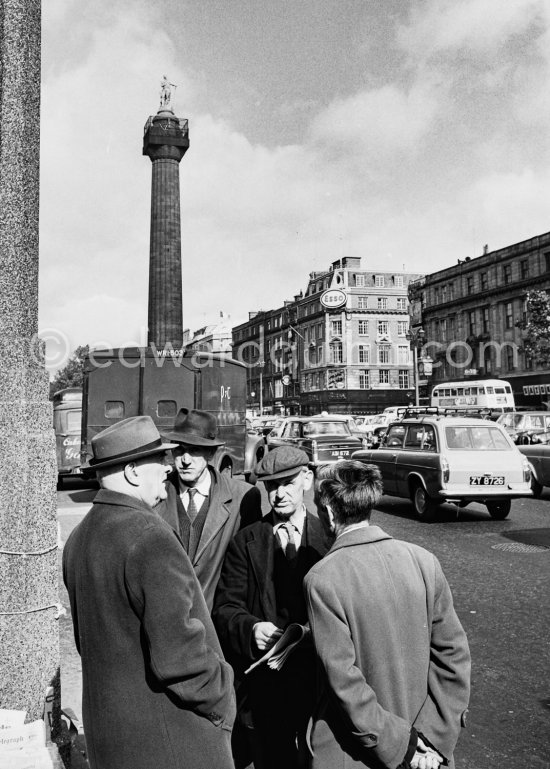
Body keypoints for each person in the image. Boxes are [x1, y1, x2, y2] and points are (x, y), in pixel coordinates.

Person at [63, 416, 236, 769]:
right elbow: (180, 658)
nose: (169, 468)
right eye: (159, 460)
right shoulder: (149, 536)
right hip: (170, 743)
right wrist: (224, 693)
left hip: (109, 740)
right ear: (132, 472)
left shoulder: (79, 538)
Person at [305, 461, 471, 769]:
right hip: (429, 751)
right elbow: (454, 655)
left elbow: (345, 682)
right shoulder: (424, 561)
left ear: (328, 511)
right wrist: (432, 738)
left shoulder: (322, 578)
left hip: (359, 753)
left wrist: (404, 746)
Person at [212, 446, 329, 769]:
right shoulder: (245, 541)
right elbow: (225, 608)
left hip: (318, 682)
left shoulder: (329, 539)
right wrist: (251, 629)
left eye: (287, 483)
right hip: (267, 688)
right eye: (271, 486)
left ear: (307, 479)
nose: (278, 494)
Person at [157, 408, 262, 611]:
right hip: (167, 620)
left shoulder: (243, 497)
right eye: (179, 450)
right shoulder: (156, 495)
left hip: (217, 623)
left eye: (194, 450)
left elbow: (249, 571)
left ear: (211, 453)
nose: (185, 460)